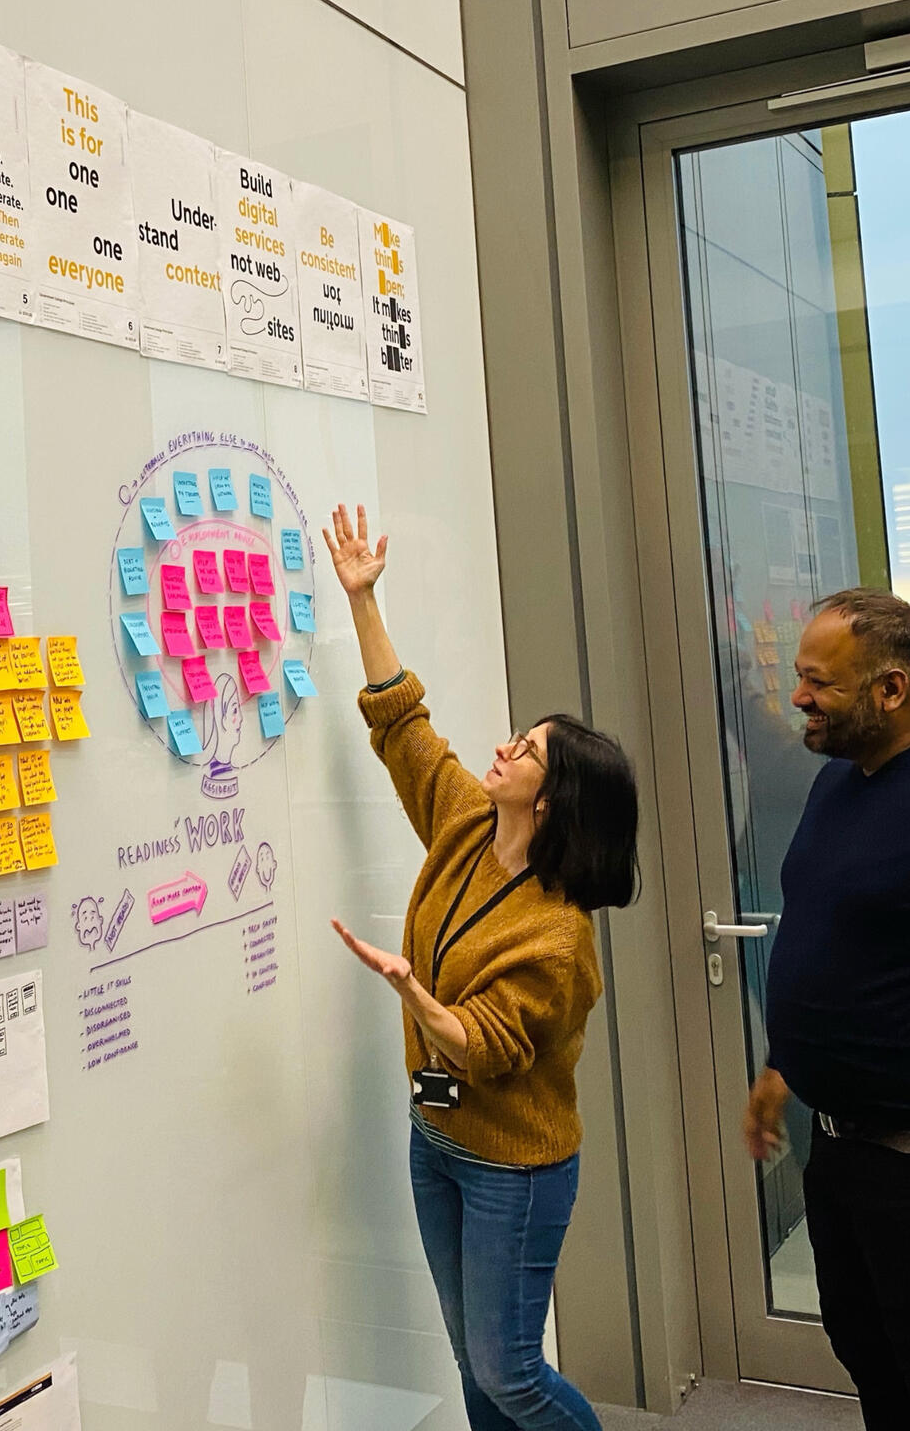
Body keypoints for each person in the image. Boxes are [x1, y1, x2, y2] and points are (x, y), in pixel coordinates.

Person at [323, 504, 639, 1431]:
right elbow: (402, 724)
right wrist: (362, 599)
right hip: (438, 1145)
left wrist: (415, 995)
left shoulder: (557, 939)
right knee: (473, 1369)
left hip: (514, 1168)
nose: (503, 748)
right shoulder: (465, 820)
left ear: (552, 801)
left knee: (509, 1374)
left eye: (527, 751)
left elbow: (486, 1049)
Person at [741, 589, 910, 1429]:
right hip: (838, 1151)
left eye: (816, 682)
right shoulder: (834, 786)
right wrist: (784, 1067)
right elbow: (840, 940)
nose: (797, 698)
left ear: (891, 689)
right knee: (869, 1359)